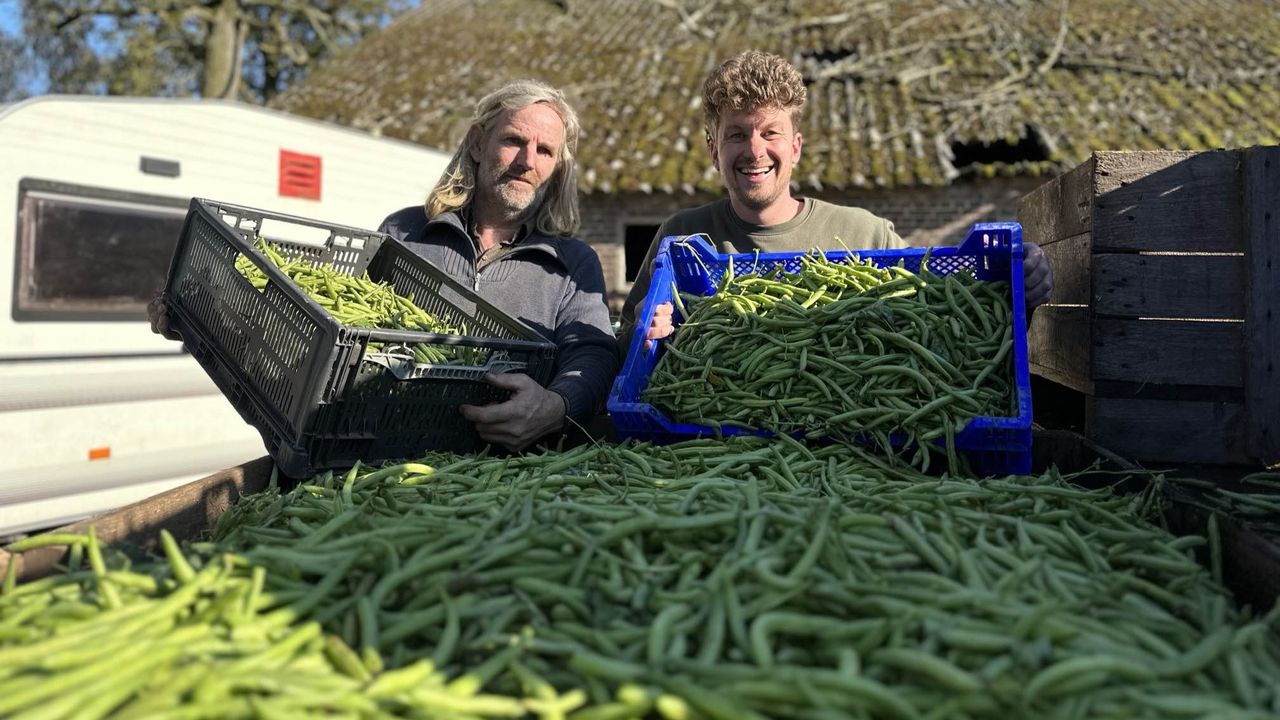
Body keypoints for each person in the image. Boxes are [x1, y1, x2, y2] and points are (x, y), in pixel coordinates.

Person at [153, 80, 618, 452]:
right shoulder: (406, 233)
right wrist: (205, 318)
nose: (527, 162)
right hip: (386, 451)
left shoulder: (572, 263)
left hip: (504, 464)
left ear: (557, 166)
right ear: (478, 144)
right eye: (514, 141)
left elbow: (593, 352)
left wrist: (557, 405)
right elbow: (337, 339)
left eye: (545, 151)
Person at [618, 50, 1054, 352]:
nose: (754, 150)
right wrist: (644, 333)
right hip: (713, 437)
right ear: (713, 149)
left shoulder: (866, 234)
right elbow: (623, 352)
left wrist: (1014, 287)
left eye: (771, 132)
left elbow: (948, 324)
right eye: (736, 134)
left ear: (796, 147)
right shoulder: (681, 239)